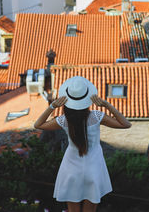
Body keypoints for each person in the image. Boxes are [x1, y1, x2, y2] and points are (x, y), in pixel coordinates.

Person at [34, 76, 131, 212]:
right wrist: (106, 105)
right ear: (87, 98)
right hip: (94, 167)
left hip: (71, 168)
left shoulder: (64, 120)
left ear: (68, 99)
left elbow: (38, 124)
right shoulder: (96, 117)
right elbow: (126, 124)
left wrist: (53, 106)